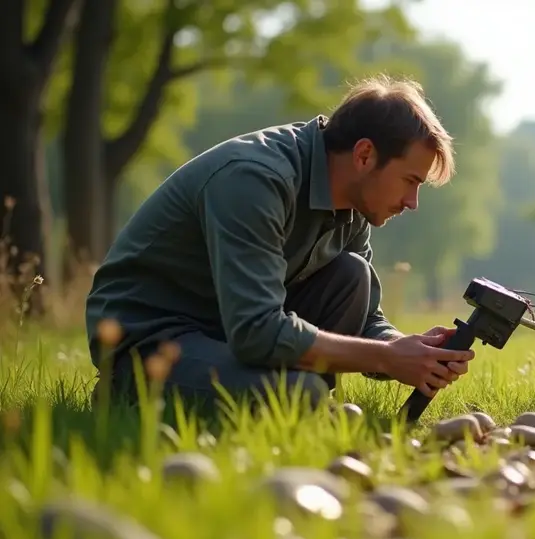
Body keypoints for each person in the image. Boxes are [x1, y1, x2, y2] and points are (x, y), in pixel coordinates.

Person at [85, 75, 476, 410]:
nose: (412, 203)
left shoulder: (354, 205)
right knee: (299, 396)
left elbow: (365, 320)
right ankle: (124, 390)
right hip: (151, 337)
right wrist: (387, 358)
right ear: (364, 155)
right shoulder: (254, 180)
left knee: (351, 273)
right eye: (411, 181)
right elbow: (256, 329)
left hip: (227, 331)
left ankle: (271, 391)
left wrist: (408, 349)